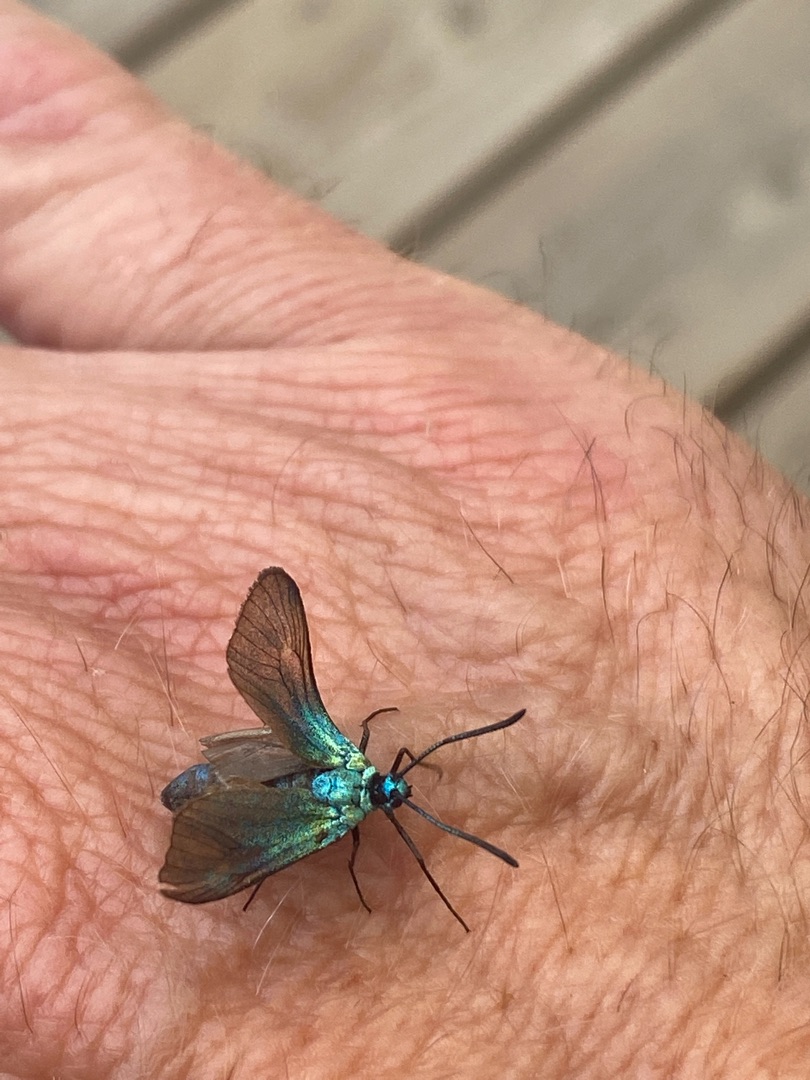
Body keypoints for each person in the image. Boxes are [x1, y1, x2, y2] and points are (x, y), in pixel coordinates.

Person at [1, 2, 807, 1075]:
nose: (402, 786)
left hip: (266, 782)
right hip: (269, 781)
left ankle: (228, 827)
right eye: (397, 786)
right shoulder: (347, 798)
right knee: (275, 825)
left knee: (250, 835)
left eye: (396, 788)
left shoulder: (348, 776)